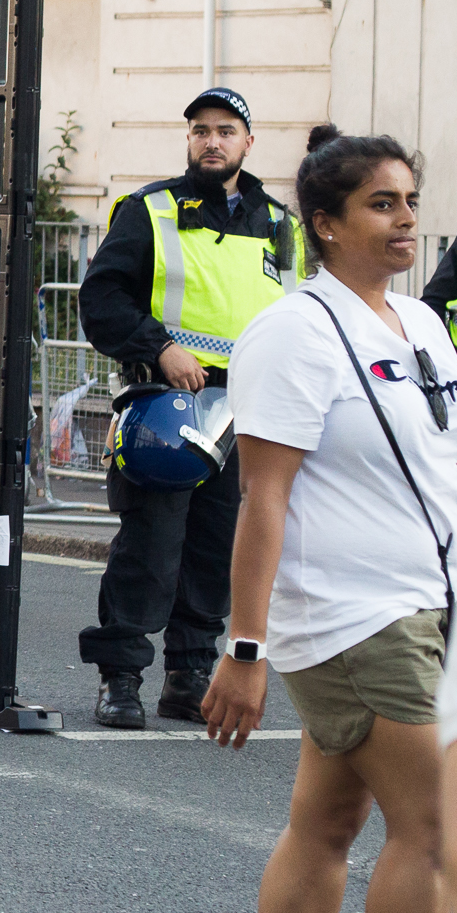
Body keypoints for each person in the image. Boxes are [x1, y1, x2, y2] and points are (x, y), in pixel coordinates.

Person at [207, 127, 457, 913]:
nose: (404, 220)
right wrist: (243, 645)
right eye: (380, 203)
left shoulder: (422, 326)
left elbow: (449, 462)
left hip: (433, 601)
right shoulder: (292, 332)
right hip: (355, 615)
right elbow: (261, 497)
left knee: (324, 823)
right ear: (324, 221)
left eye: (407, 199)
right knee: (435, 829)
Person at [79, 87, 301, 728]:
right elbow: (104, 300)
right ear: (189, 140)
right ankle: (120, 677)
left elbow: (301, 318)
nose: (212, 140)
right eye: (201, 130)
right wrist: (161, 347)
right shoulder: (150, 210)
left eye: (226, 130)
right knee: (150, 542)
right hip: (167, 400)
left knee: (217, 547)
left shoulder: (282, 227)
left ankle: (189, 673)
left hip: (249, 412)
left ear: (248, 143)